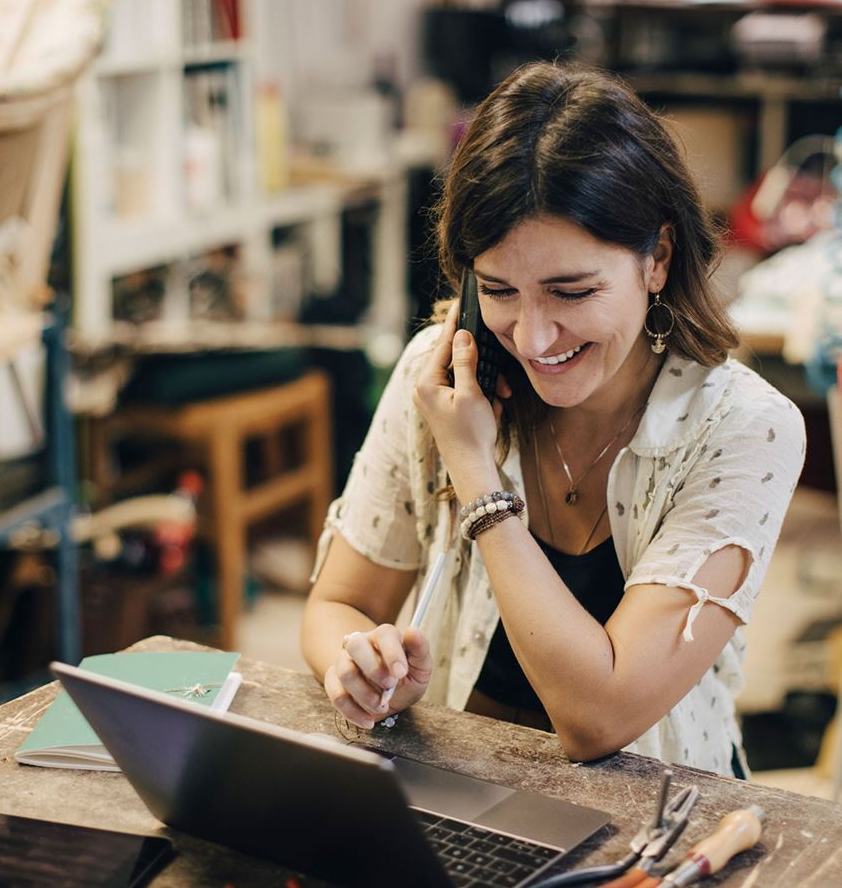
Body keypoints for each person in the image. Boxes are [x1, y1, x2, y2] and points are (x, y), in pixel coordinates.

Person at [301, 62, 806, 777]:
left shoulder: (745, 428)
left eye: (571, 292)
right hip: (457, 777)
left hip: (652, 813)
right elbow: (340, 604)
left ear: (656, 258)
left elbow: (597, 719)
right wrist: (358, 667)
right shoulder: (444, 377)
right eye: (499, 290)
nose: (533, 339)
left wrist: (476, 473)